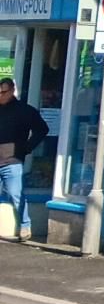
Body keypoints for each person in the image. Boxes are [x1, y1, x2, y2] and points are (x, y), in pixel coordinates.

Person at [0, 78, 46, 243]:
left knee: (15, 194)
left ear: (12, 91)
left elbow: (42, 129)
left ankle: (25, 225)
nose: (0, 96)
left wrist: (27, 148)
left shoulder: (24, 111)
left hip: (12, 161)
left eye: (3, 92)